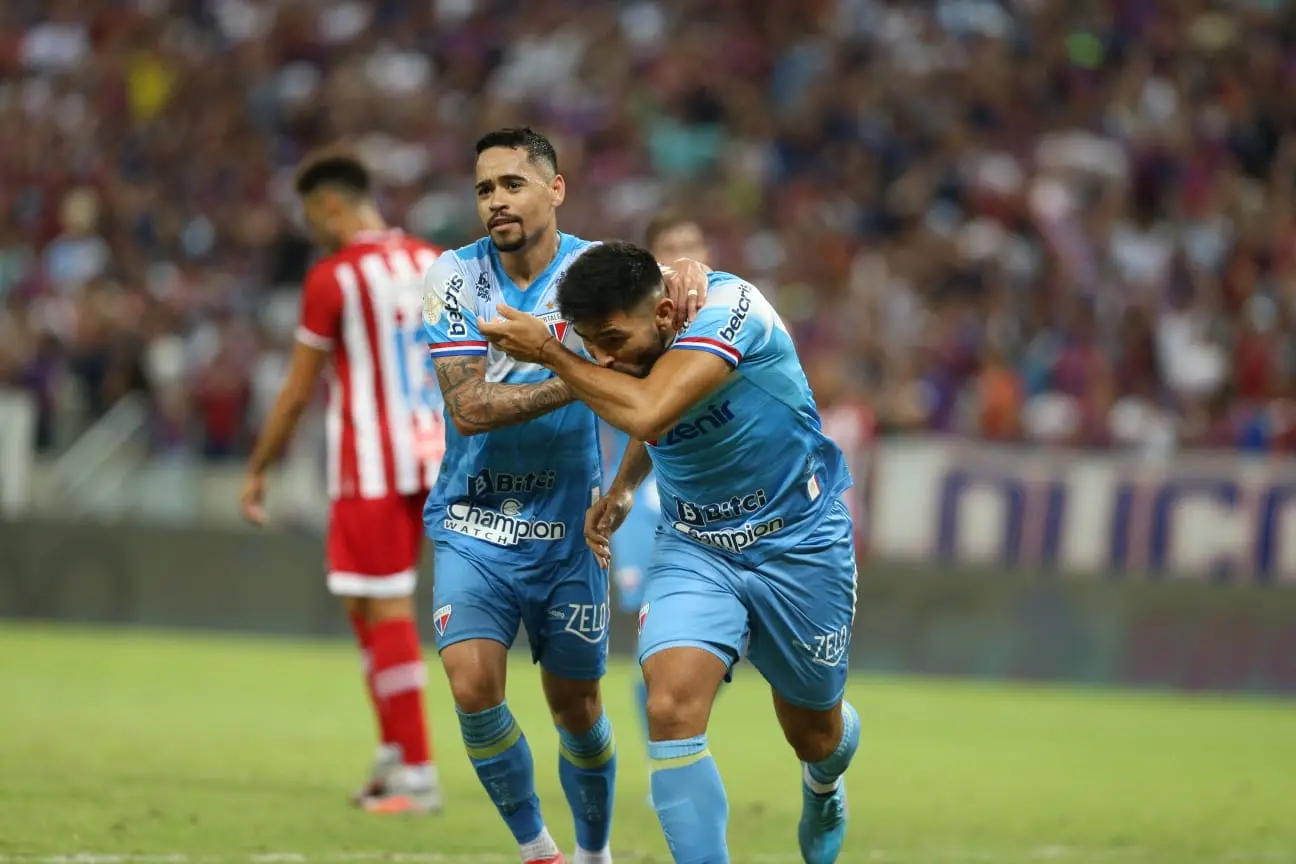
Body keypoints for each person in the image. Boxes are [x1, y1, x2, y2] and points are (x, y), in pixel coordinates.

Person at [479, 241, 861, 864]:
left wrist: (551, 353)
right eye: (588, 342)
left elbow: (655, 404)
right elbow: (653, 413)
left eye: (609, 340)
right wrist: (626, 487)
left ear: (661, 317)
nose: (600, 356)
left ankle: (824, 783)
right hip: (696, 546)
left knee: (815, 734)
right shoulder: (626, 326)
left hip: (799, 544)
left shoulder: (734, 310)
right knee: (669, 704)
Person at [420, 128, 710, 864]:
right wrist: (574, 375)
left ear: (555, 189)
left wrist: (696, 276)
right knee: (472, 685)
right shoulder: (453, 278)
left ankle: (593, 851)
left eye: (512, 184)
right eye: (484, 188)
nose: (496, 201)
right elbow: (469, 408)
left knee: (577, 713)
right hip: (472, 518)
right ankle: (540, 852)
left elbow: (661, 364)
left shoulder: (596, 274)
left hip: (567, 531)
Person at [240, 148, 445, 814]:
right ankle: (393, 756)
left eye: (310, 214)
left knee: (383, 608)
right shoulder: (434, 262)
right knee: (365, 605)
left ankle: (417, 775)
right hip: (440, 455)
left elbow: (298, 391)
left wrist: (259, 469)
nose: (311, 229)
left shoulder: (335, 277)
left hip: (373, 463)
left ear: (331, 206)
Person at [599, 211, 713, 802]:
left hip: (723, 502)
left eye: (691, 247)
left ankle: (679, 735)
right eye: (670, 250)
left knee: (711, 652)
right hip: (649, 496)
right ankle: (664, 759)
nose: (683, 263)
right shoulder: (636, 325)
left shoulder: (734, 318)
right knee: (657, 634)